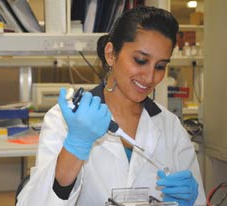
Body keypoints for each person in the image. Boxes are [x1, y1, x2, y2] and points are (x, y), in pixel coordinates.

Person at [16, 6, 206, 206]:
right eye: (140, 60)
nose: (150, 77)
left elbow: (199, 201)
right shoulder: (64, 120)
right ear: (111, 54)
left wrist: (190, 202)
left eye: (160, 67)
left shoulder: (170, 126)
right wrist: (75, 147)